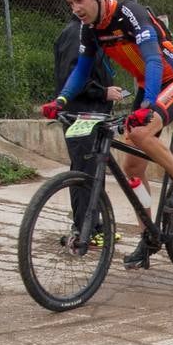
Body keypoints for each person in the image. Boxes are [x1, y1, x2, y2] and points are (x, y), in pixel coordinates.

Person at [41, 0, 173, 269]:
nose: (76, 8)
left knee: (139, 133)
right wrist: (61, 100)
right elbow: (81, 70)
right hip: (146, 86)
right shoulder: (90, 29)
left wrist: (147, 105)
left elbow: (153, 60)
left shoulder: (130, 14)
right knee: (133, 169)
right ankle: (149, 236)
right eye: (70, 3)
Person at [53, 17, 125, 244]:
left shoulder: (90, 33)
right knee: (84, 173)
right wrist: (103, 92)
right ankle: (85, 230)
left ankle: (94, 225)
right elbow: (70, 78)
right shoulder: (75, 34)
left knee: (93, 172)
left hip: (95, 114)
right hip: (81, 115)